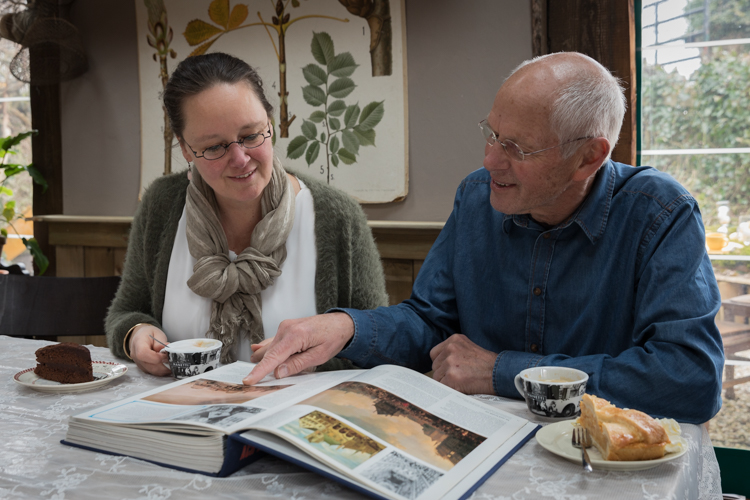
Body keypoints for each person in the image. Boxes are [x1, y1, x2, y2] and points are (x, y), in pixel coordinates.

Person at [244, 52, 724, 424]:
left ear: (588, 157)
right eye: (492, 134)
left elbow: (690, 379)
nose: (491, 160)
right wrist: (348, 328)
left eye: (516, 148)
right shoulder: (476, 196)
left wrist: (501, 371)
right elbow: (431, 321)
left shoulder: (661, 214)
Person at [106, 52, 388, 375]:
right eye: (214, 147)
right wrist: (136, 333)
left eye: (251, 135)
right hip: (183, 421)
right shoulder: (162, 205)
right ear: (185, 148)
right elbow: (126, 312)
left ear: (269, 122)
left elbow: (378, 342)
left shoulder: (337, 217)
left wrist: (314, 357)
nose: (240, 159)